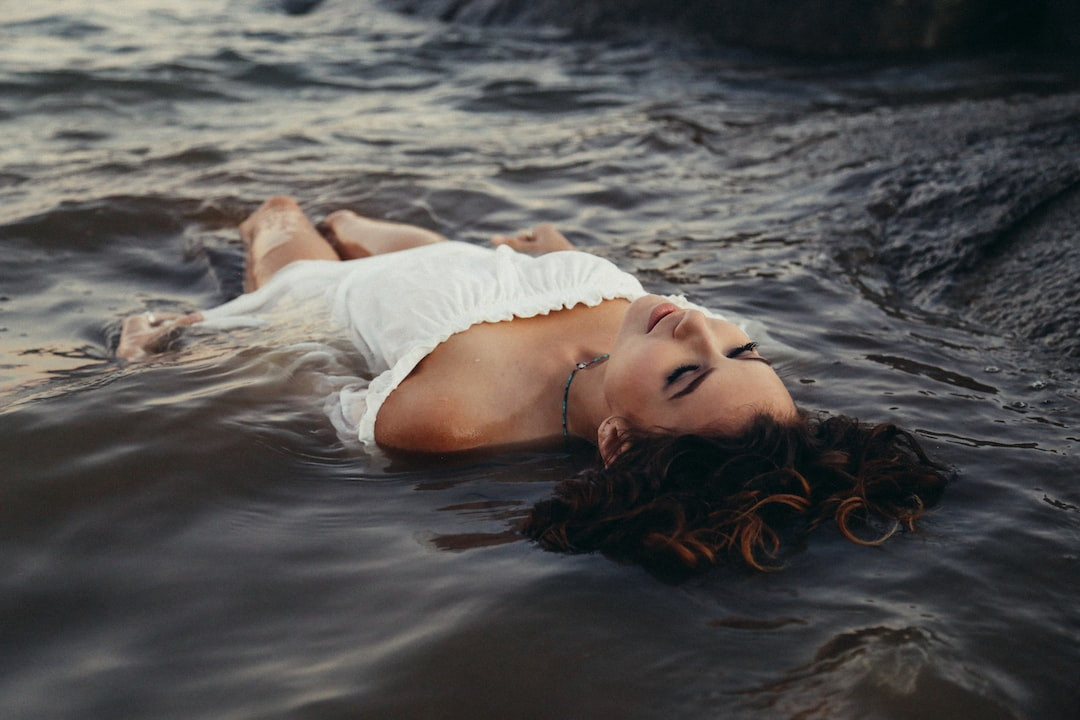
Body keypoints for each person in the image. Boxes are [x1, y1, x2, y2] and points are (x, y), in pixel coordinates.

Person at [118, 196, 949, 576]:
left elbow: (302, 369)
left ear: (618, 441)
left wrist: (177, 354)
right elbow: (664, 318)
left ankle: (314, 236)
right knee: (355, 221)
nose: (701, 330)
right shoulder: (681, 329)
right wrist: (563, 251)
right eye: (745, 350)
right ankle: (356, 231)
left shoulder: (454, 421)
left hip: (330, 302)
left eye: (690, 374)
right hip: (460, 261)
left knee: (282, 212)